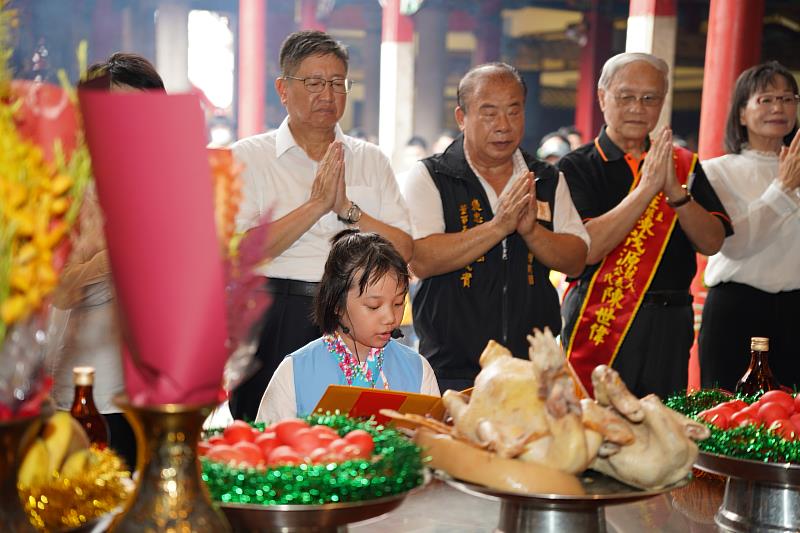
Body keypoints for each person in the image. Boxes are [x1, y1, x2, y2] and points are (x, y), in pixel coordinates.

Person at [231, 30, 412, 421]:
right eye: (313, 83)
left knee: (363, 435)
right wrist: (316, 205)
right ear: (283, 88)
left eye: (337, 83)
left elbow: (405, 248)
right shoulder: (249, 157)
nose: (327, 95)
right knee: (268, 437)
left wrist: (348, 208)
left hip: (360, 318)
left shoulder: (370, 159)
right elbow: (239, 252)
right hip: (278, 312)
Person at [401, 62, 590, 392]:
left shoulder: (545, 177)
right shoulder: (432, 176)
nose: (503, 125)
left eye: (513, 112)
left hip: (531, 368)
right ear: (462, 118)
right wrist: (498, 226)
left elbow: (576, 258)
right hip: (452, 368)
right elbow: (422, 258)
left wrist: (532, 232)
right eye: (489, 113)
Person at [558, 52, 733, 399]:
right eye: (626, 97)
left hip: (670, 321)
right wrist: (645, 191)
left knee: (662, 425)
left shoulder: (683, 164)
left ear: (662, 102)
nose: (638, 107)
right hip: (601, 314)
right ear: (602, 97)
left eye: (649, 98)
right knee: (594, 426)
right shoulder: (576, 166)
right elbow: (587, 248)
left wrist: (676, 194)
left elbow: (712, 243)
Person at [50, 52, 166, 470]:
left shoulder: (166, 188)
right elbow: (59, 293)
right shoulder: (70, 189)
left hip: (155, 398)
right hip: (90, 398)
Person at [255, 230, 439, 423]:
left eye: (399, 303)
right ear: (337, 303)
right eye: (374, 306)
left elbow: (434, 444)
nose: (390, 317)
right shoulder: (294, 370)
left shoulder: (417, 369)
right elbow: (268, 445)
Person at [699, 61, 800, 390]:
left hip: (795, 310)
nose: (778, 108)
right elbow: (737, 245)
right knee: (727, 417)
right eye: (766, 99)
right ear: (742, 113)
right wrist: (783, 188)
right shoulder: (716, 171)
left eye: (787, 99)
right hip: (737, 307)